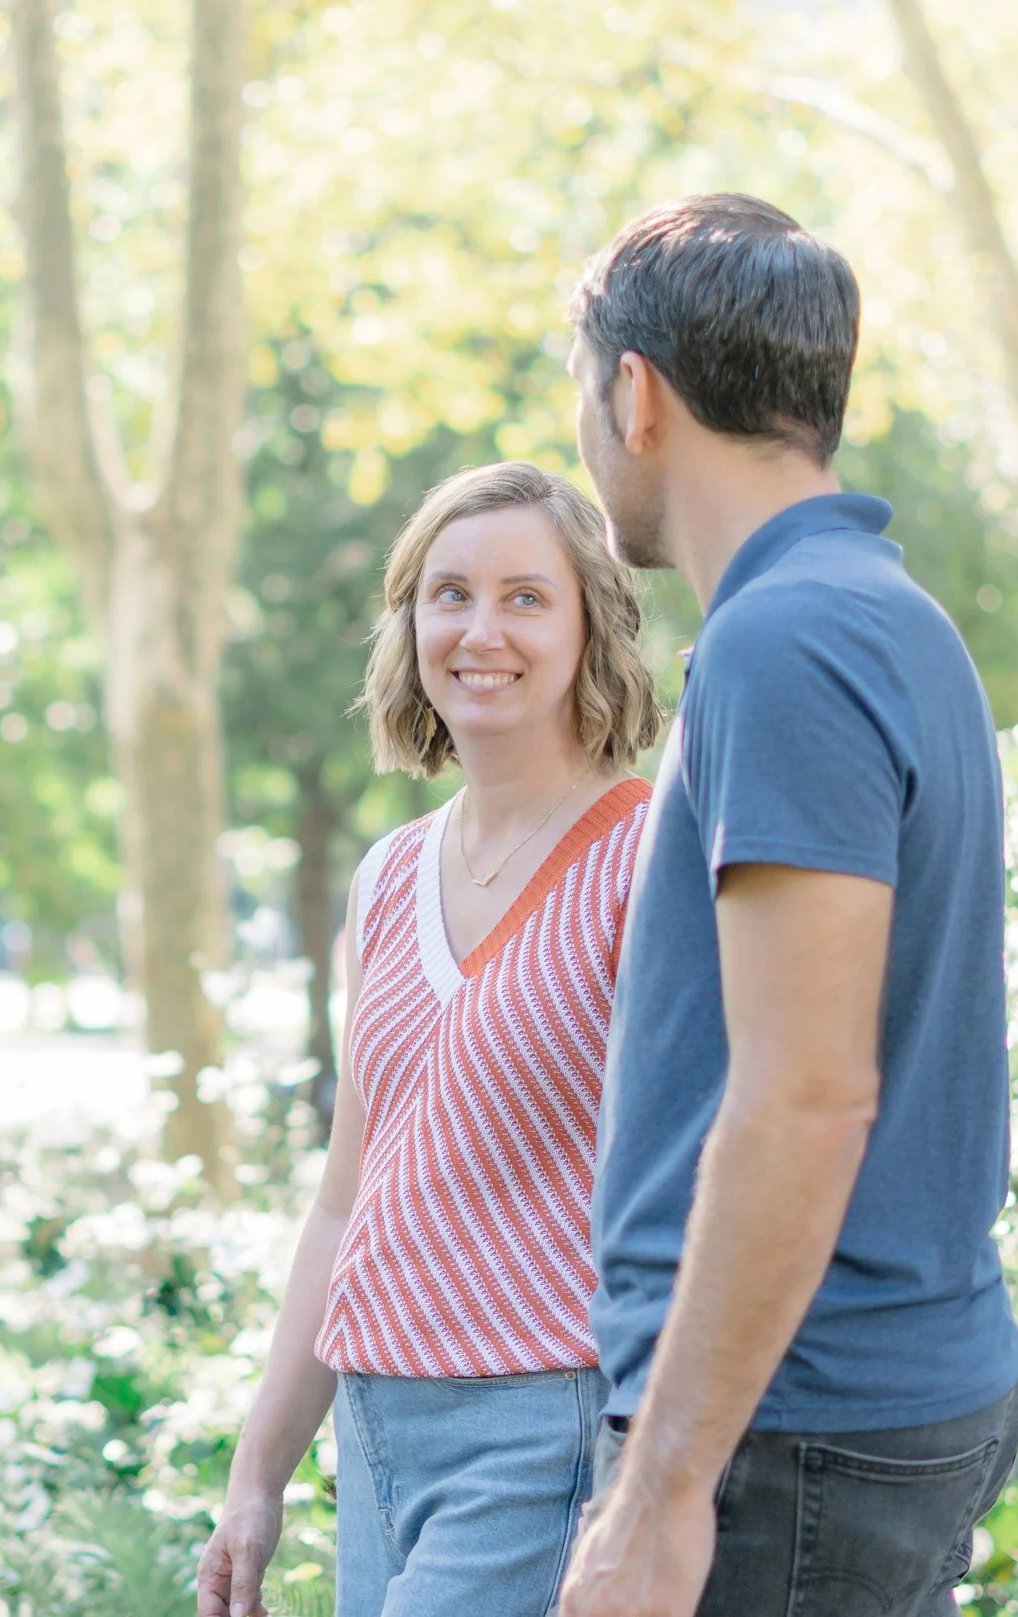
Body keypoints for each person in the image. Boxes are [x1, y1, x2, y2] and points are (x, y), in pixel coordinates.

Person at [555, 194, 1018, 1617]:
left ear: (636, 395)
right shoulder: (879, 612)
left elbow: (808, 1091)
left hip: (790, 1434)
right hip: (837, 1413)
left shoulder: (787, 640)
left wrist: (659, 1491)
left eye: (580, 397)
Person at [197, 461, 665, 1617]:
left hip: (543, 1421)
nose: (479, 629)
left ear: (588, 626)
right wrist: (259, 1475)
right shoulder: (390, 871)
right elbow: (345, 1199)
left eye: (524, 596)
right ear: (408, 624)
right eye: (447, 593)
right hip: (376, 1422)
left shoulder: (646, 860)